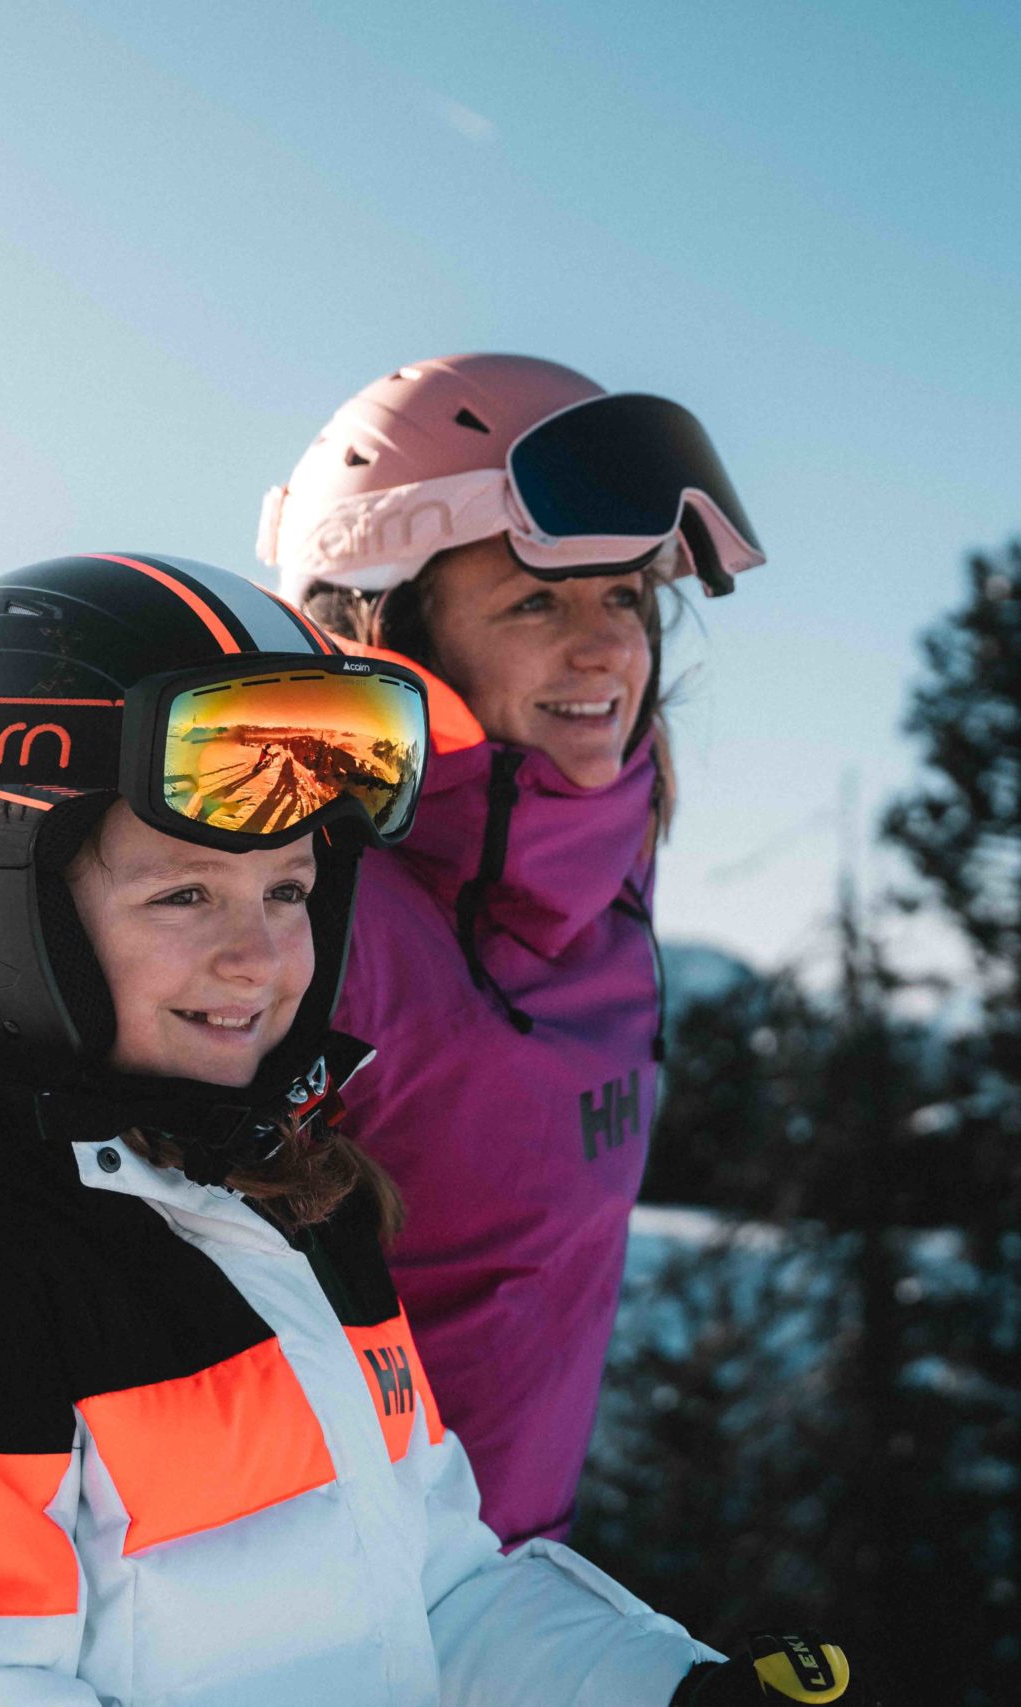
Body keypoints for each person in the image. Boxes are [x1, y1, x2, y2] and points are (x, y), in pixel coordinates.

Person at [0, 553, 859, 1704]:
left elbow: (437, 1599)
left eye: (287, 891)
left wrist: (667, 1694)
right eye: (182, 894)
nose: (259, 959)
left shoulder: (283, 1190)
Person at [257, 354, 765, 1546]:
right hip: (315, 1612)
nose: (605, 651)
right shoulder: (316, 917)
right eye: (536, 601)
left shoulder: (603, 862)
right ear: (394, 638)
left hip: (510, 1585)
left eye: (626, 597)